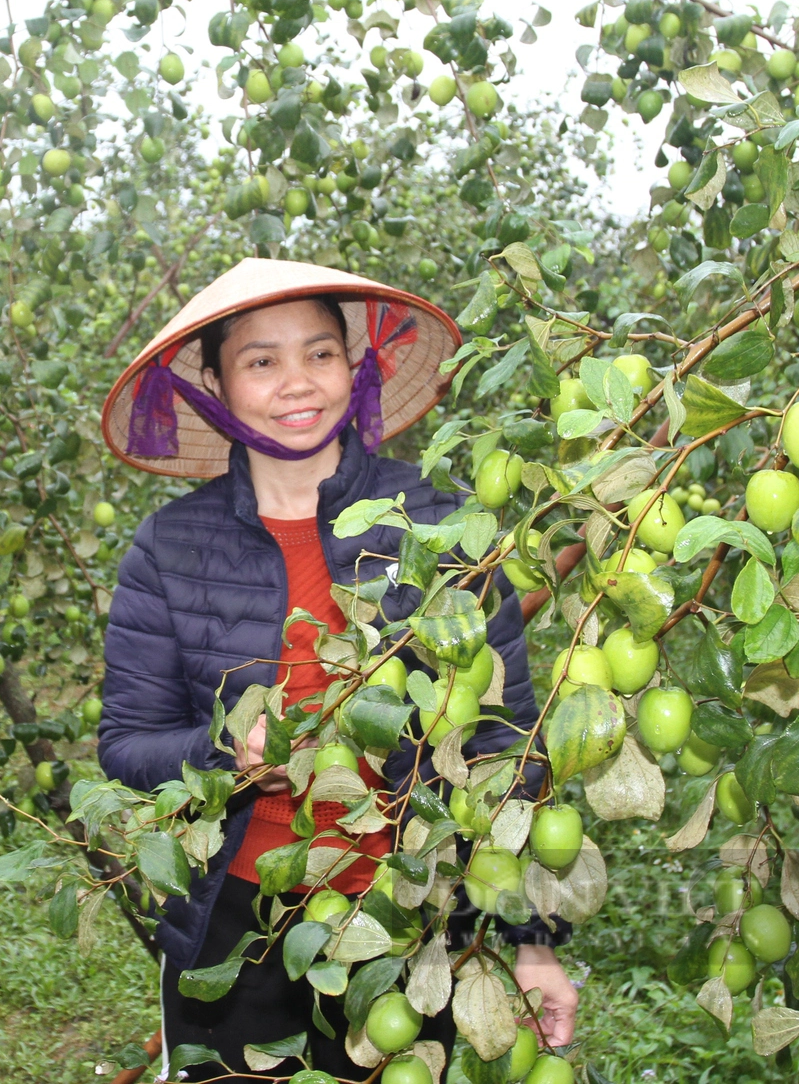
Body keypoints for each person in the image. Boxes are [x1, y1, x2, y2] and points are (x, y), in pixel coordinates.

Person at [95, 258, 577, 1080]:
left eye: (320, 353)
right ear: (215, 380)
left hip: (412, 923)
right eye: (261, 360)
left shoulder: (438, 520)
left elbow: (507, 743)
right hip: (235, 935)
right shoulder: (171, 548)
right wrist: (224, 754)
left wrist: (531, 940)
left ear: (354, 363)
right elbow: (126, 746)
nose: (298, 383)